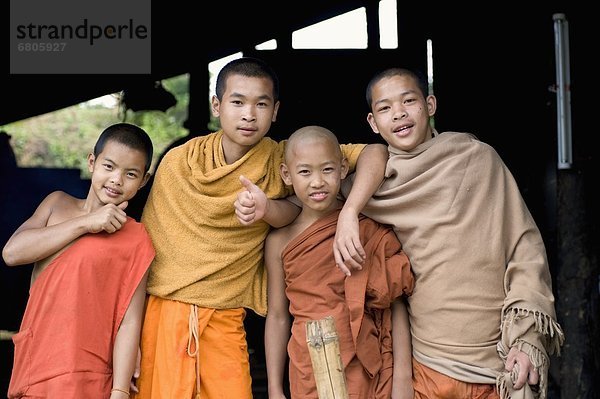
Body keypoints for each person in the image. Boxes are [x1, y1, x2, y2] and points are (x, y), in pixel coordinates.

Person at [134, 57, 387, 398]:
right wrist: (130, 338)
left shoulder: (285, 159)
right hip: (163, 313)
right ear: (217, 105)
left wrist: (348, 212)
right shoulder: (180, 162)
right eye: (237, 102)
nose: (249, 114)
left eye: (261, 104)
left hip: (225, 317)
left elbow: (375, 153)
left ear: (276, 110)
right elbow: (145, 253)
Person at [336, 67, 564, 398]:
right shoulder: (374, 186)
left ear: (430, 105)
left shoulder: (477, 160)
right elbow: (311, 174)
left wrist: (528, 336)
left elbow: (523, 247)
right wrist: (348, 212)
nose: (398, 113)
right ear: (372, 123)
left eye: (409, 101)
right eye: (385, 108)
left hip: (497, 360)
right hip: (427, 363)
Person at [2, 122, 156, 399]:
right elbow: (12, 253)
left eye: (130, 173)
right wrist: (87, 222)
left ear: (143, 181)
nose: (117, 180)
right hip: (38, 362)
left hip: (90, 372)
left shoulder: (136, 237)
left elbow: (129, 322)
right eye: (109, 167)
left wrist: (120, 390)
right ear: (92, 162)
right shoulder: (56, 204)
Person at [263, 125, 415, 399]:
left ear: (344, 169)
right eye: (305, 172)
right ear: (287, 174)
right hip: (308, 364)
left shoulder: (364, 227)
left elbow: (395, 300)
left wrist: (403, 376)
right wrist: (274, 388)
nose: (317, 182)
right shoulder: (280, 241)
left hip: (369, 361)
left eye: (327, 170)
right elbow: (277, 315)